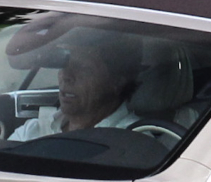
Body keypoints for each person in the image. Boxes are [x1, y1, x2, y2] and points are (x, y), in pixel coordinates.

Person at [10, 29, 143, 141]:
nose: (67, 76)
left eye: (83, 69)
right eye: (64, 64)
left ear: (117, 82)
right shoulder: (32, 131)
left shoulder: (133, 141)